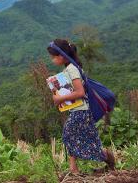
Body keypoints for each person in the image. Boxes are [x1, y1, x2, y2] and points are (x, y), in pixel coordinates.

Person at [47, 38, 115, 174]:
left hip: (82, 111)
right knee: (74, 136)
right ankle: (74, 169)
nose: (52, 60)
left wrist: (60, 98)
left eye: (53, 57)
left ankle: (105, 156)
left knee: (69, 135)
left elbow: (80, 92)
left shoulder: (72, 69)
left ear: (61, 56)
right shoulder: (70, 68)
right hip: (79, 110)